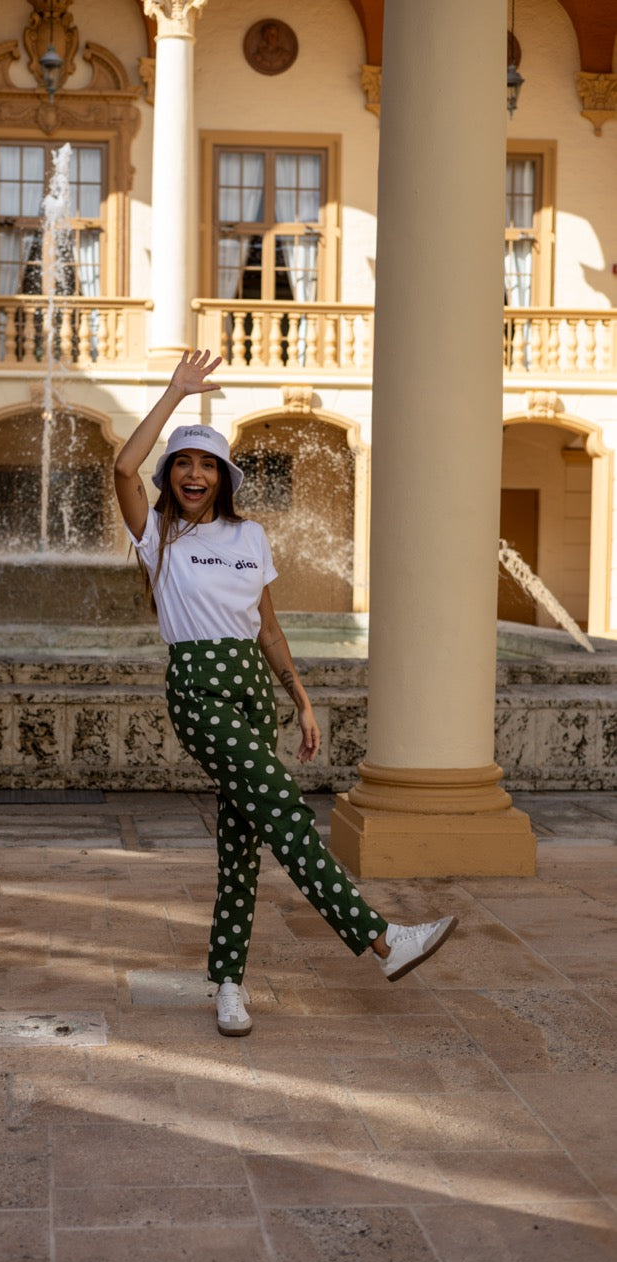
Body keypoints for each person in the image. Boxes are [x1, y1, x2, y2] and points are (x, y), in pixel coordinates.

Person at [113, 349, 457, 1037]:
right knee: (285, 812)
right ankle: (383, 940)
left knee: (241, 847)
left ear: (223, 478)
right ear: (169, 474)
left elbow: (267, 626)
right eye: (183, 462)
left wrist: (298, 697)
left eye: (206, 464)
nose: (193, 473)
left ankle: (227, 985)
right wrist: (176, 394)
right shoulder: (158, 538)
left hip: (250, 688)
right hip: (198, 687)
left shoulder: (249, 536)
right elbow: (122, 467)